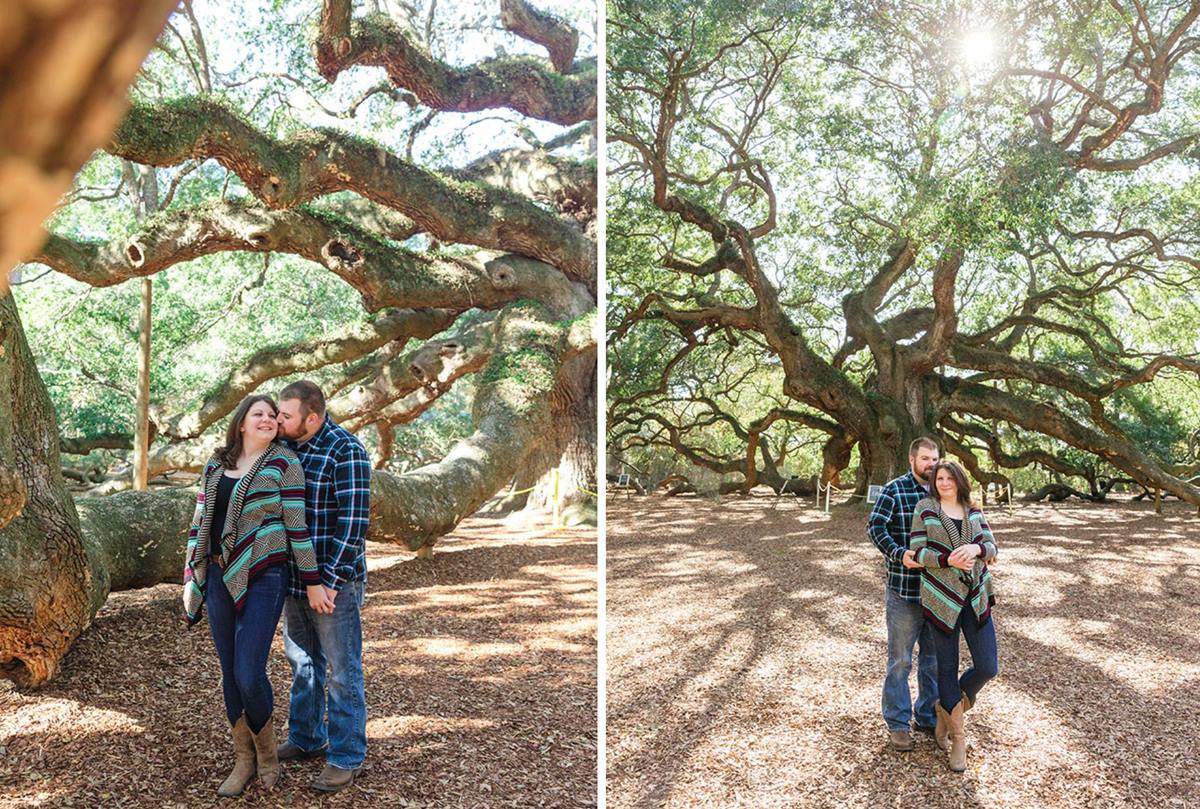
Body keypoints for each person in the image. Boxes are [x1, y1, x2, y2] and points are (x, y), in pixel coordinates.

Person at [182, 394, 324, 797]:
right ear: (241, 423)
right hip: (218, 575)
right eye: (256, 414)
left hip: (265, 574)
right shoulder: (216, 464)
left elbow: (297, 527)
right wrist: (193, 575)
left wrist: (313, 579)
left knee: (249, 670)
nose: (266, 419)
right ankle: (244, 760)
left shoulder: (285, 463)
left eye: (271, 415)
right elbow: (199, 523)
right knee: (229, 672)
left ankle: (267, 755)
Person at [274, 380, 371, 793]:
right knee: (302, 663)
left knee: (342, 671)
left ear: (311, 418)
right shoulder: (287, 448)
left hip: (336, 584)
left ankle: (346, 755)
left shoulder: (345, 451)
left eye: (286, 415)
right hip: (294, 581)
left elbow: (353, 528)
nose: (278, 420)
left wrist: (326, 584)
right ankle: (306, 737)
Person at [909, 460, 999, 772]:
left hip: (976, 597)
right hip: (940, 598)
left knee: (988, 666)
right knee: (945, 668)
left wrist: (975, 551)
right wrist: (948, 559)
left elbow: (991, 546)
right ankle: (957, 737)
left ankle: (946, 708)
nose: (944, 483)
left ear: (960, 480)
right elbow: (918, 553)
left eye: (949, 478)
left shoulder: (974, 509)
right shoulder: (925, 508)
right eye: (939, 478)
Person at [866, 436, 942, 751]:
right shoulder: (894, 490)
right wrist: (899, 553)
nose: (931, 465)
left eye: (935, 459)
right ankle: (898, 723)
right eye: (925, 459)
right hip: (905, 592)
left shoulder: (944, 489)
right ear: (911, 459)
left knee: (934, 661)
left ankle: (927, 716)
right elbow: (875, 528)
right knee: (900, 661)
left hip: (939, 594)